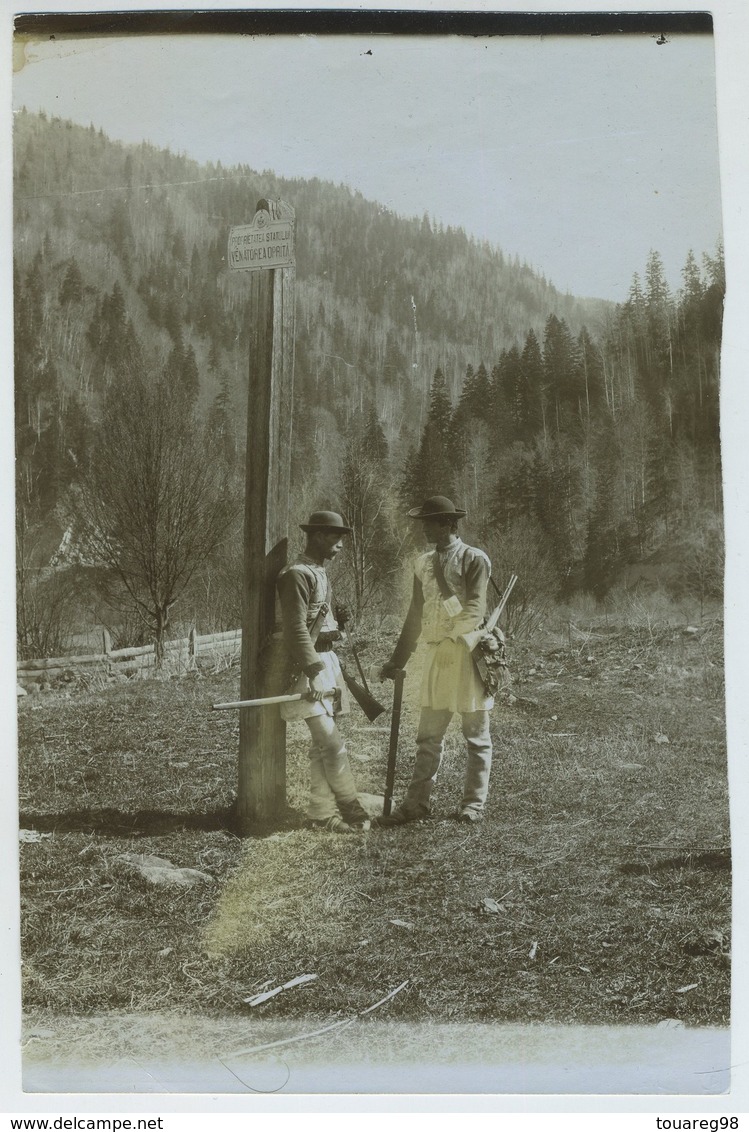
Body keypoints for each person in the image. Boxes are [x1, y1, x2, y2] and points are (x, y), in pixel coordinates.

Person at [379, 495, 494, 825]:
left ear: (448, 524)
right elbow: (415, 615)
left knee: (476, 735)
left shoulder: (474, 558)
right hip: (435, 656)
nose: (425, 529)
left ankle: (473, 804)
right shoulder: (421, 563)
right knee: (429, 736)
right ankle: (416, 803)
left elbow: (475, 608)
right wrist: (397, 659)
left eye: (430, 522)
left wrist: (453, 641)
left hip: (467, 655)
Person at [276, 510, 372, 834]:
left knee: (321, 745)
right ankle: (351, 807)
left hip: (322, 662)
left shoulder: (319, 572)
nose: (341, 545)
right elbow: (294, 630)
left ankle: (320, 812)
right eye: (335, 537)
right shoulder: (296, 574)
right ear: (317, 536)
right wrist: (314, 671)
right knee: (331, 743)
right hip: (301, 668)